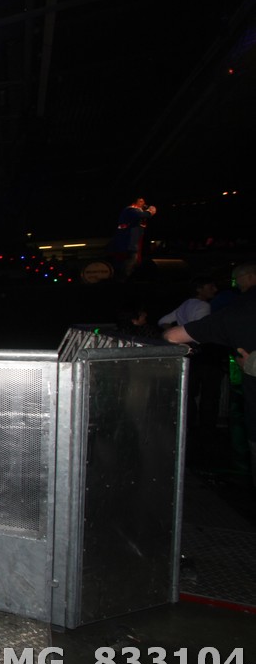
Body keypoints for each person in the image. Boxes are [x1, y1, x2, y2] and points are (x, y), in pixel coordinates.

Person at [164, 262, 256, 486]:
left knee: (195, 397)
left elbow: (169, 330)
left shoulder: (229, 309)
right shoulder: (207, 307)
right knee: (210, 399)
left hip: (198, 358)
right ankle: (207, 434)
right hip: (208, 360)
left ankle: (196, 434)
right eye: (210, 286)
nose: (216, 289)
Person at [110, 196, 156, 280]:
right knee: (130, 260)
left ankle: (127, 278)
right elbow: (140, 215)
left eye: (143, 201)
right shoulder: (130, 210)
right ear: (135, 202)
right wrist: (150, 211)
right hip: (127, 242)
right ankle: (123, 279)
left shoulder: (137, 211)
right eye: (141, 201)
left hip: (133, 242)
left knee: (133, 261)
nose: (143, 203)